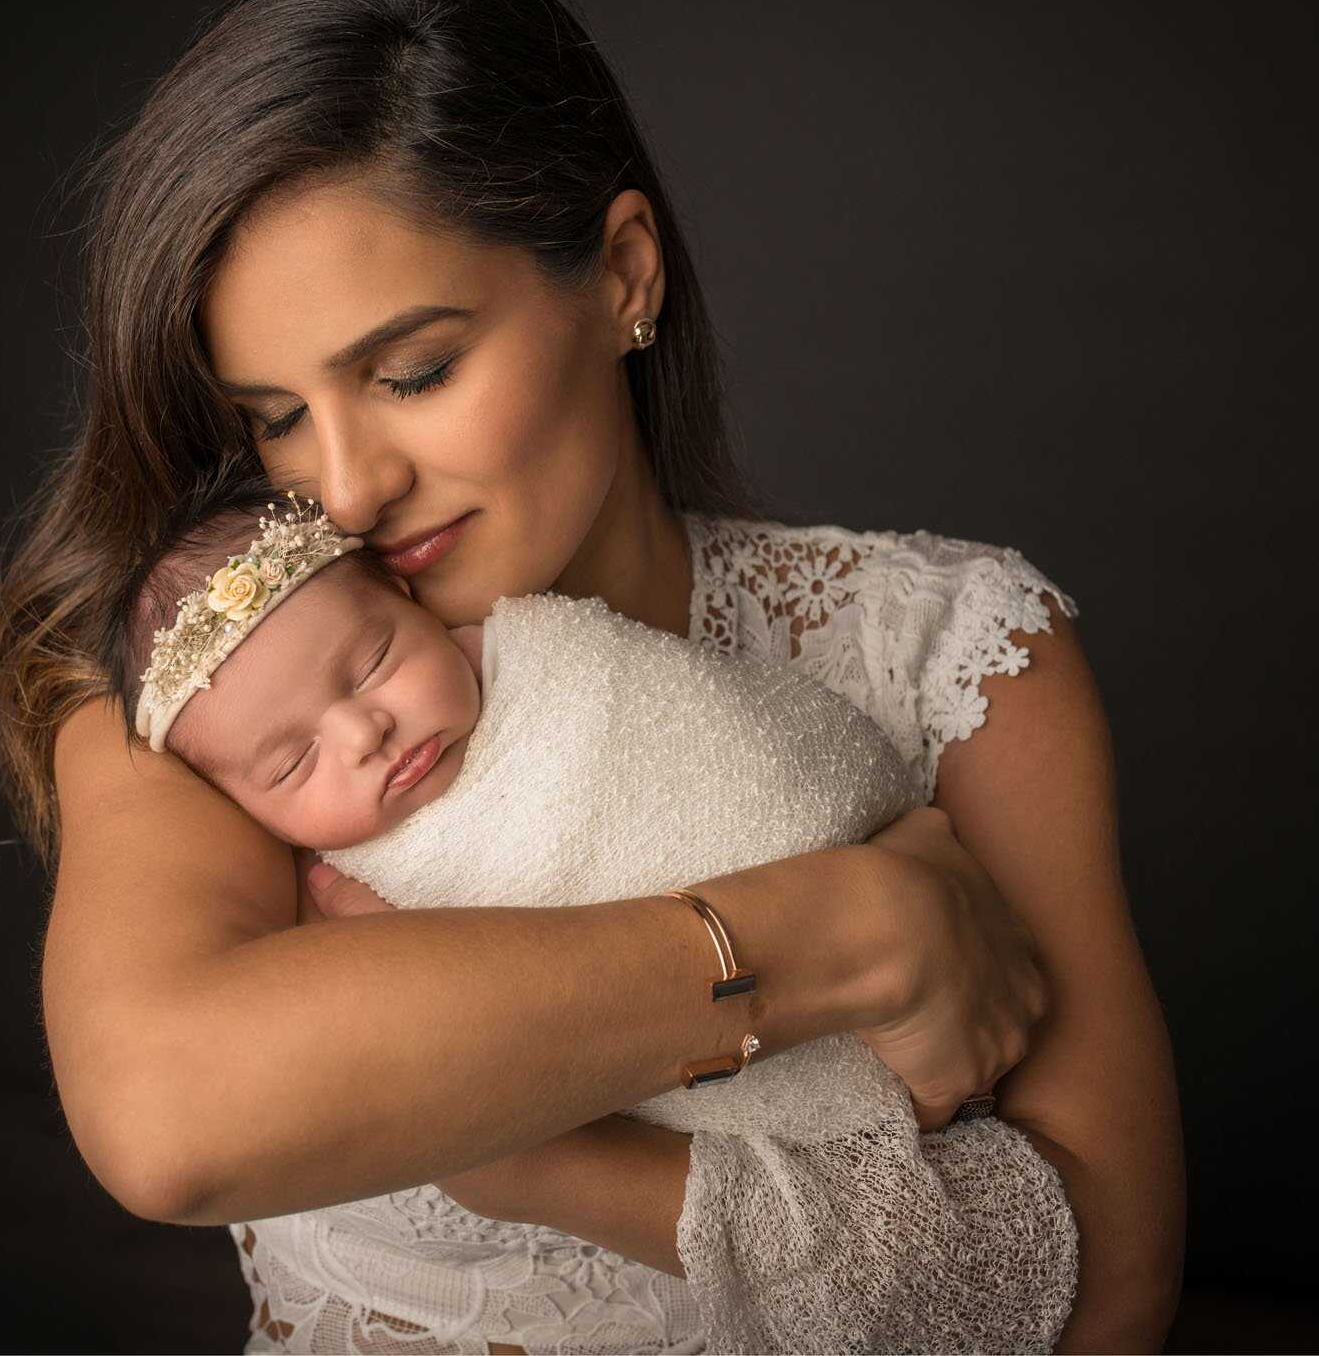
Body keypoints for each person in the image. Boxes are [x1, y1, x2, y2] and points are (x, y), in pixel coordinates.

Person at [0, 0, 1185, 1353]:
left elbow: (1102, 1286)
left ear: (624, 273)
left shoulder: (949, 648)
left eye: (413, 371)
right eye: (275, 415)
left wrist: (539, 1153)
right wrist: (853, 931)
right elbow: (170, 1114)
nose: (349, 484)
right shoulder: (225, 688)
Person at [103, 478, 1080, 1351]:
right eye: (290, 764)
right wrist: (525, 1155)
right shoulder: (197, 777)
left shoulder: (559, 669)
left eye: (370, 666)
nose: (365, 730)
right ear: (232, 801)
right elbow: (163, 1127)